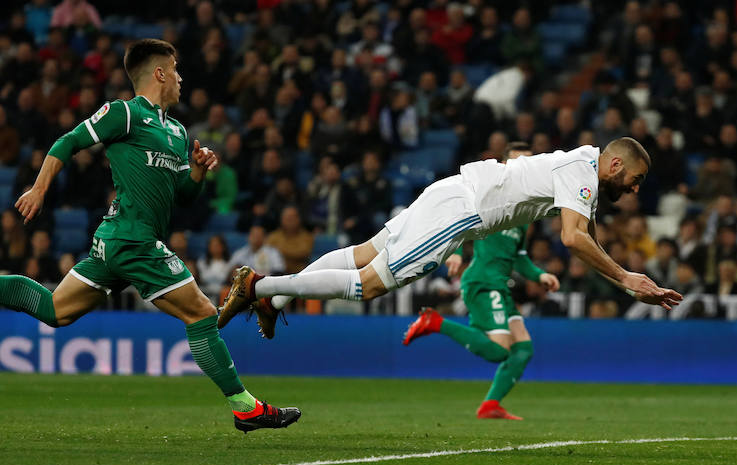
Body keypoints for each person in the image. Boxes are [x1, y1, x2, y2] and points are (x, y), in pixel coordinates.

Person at [2, 39, 299, 433]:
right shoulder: (123, 114)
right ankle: (245, 408)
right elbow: (68, 141)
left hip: (122, 243)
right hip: (132, 238)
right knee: (202, 313)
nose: (180, 77)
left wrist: (197, 170)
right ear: (159, 73)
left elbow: (184, 196)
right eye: (175, 69)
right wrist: (39, 188)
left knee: (56, 311)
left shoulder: (177, 131)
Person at [218, 137, 682, 340]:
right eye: (636, 180)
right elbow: (573, 239)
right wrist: (626, 276)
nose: (636, 190)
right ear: (616, 166)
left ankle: (271, 301)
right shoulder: (582, 173)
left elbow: (588, 232)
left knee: (363, 253)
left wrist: (624, 282)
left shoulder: (585, 167)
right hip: (461, 214)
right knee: (368, 283)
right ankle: (258, 286)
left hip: (452, 192)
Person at [402, 143, 561, 420]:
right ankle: (436, 322)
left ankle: (490, 405)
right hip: (483, 282)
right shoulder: (492, 197)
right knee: (500, 351)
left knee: (523, 349)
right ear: (503, 166)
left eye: (529, 164)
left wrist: (540, 274)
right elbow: (461, 224)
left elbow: (519, 257)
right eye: (517, 163)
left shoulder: (525, 214)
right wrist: (453, 252)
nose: (524, 169)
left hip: (500, 284)